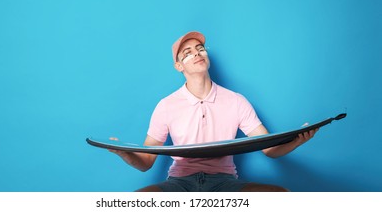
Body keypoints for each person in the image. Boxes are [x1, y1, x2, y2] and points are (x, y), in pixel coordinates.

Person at [110, 31, 318, 192]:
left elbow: (270, 149)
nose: (197, 54)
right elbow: (146, 162)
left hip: (225, 182)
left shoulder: (236, 101)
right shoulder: (166, 105)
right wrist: (123, 152)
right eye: (187, 53)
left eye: (200, 48)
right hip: (179, 183)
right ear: (178, 66)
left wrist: (298, 140)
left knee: (280, 196)